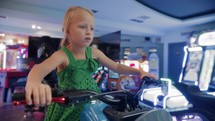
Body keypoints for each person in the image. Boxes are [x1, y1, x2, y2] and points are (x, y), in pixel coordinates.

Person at [25, 6, 156, 121]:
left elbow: (116, 66)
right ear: (67, 30)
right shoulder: (62, 55)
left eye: (92, 28)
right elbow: (39, 69)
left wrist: (139, 72)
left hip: (94, 101)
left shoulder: (94, 52)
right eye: (82, 26)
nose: (89, 32)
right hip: (70, 106)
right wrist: (34, 82)